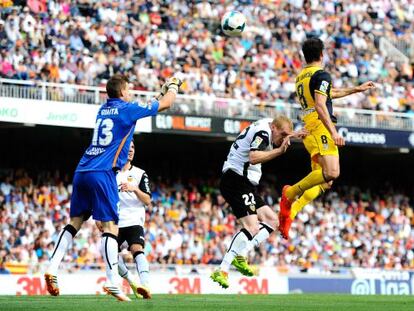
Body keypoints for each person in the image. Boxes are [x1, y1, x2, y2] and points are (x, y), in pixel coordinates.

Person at [43, 74, 182, 301]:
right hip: (103, 172)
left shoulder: (103, 109)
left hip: (83, 169)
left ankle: (52, 267)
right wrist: (173, 87)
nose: (131, 92)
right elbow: (165, 104)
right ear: (122, 92)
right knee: (110, 228)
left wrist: (161, 90)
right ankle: (112, 281)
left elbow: (142, 110)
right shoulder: (127, 110)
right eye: (128, 89)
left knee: (75, 222)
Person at [278, 37, 375, 239]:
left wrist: (356, 89)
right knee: (332, 172)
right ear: (322, 55)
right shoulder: (322, 74)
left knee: (324, 181)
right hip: (320, 126)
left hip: (309, 126)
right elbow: (322, 104)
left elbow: (328, 94)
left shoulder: (302, 76)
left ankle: (290, 213)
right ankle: (289, 195)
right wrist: (333, 132)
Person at [210, 116, 306, 288]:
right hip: (236, 179)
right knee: (252, 227)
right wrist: (279, 151)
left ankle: (243, 253)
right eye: (281, 134)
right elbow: (253, 157)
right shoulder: (263, 132)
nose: (282, 139)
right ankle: (222, 269)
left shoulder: (269, 124)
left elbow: (281, 127)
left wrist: (292, 134)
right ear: (273, 128)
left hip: (244, 182)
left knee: (273, 220)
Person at [115, 140, 153, 299]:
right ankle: (131, 281)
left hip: (133, 220)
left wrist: (134, 189)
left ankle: (145, 286)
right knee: (111, 256)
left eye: (132, 148)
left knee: (137, 249)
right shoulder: (112, 173)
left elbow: (147, 200)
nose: (130, 150)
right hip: (114, 221)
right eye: (127, 147)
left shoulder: (140, 173)